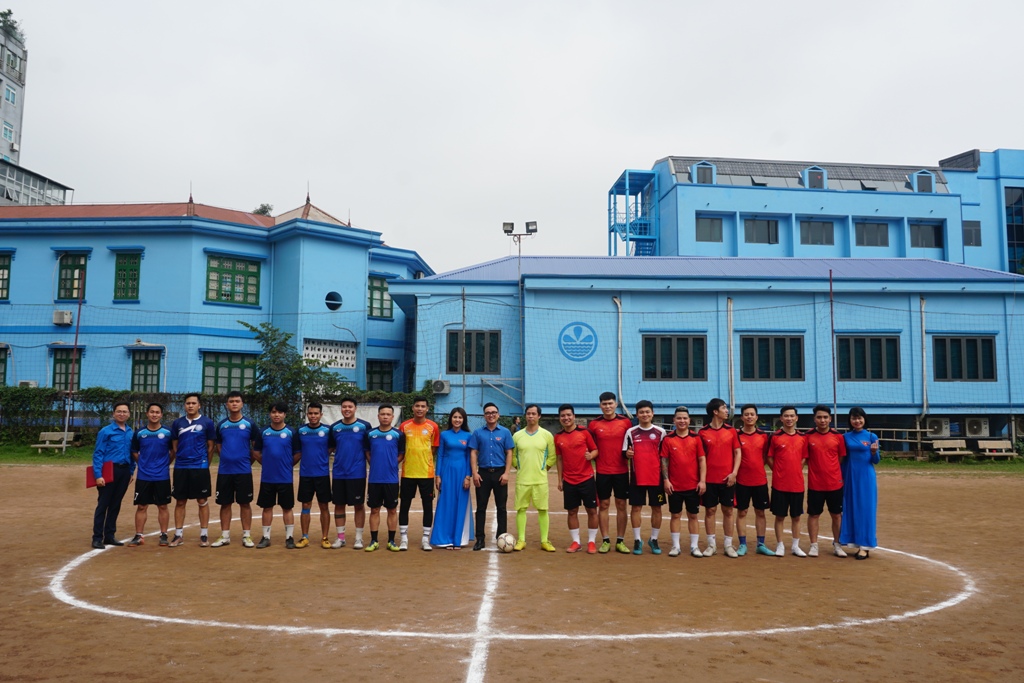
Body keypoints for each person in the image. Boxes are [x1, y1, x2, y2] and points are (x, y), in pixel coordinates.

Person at [588, 391, 633, 554]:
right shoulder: (594, 424)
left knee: (621, 504)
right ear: (600, 405)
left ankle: (620, 540)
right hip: (603, 471)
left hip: (621, 471)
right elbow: (590, 447)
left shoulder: (626, 422)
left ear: (616, 404)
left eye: (610, 403)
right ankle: (605, 540)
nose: (607, 406)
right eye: (604, 404)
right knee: (604, 505)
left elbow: (631, 446)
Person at [697, 398, 742, 558]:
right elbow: (700, 458)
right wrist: (702, 479)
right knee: (710, 510)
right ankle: (711, 545)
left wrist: (734, 473)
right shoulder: (702, 432)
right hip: (709, 480)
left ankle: (728, 545)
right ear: (715, 412)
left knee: (728, 511)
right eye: (724, 408)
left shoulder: (731, 431)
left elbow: (738, 453)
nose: (726, 410)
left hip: (727, 479)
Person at [211, 391, 256, 548]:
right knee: (225, 504)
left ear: (242, 404)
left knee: (245, 503)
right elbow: (218, 445)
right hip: (225, 471)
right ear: (227, 405)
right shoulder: (222, 425)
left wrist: (246, 462)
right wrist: (226, 458)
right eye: (231, 401)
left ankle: (247, 535)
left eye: (237, 401)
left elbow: (255, 448)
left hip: (243, 471)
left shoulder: (250, 424)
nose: (234, 403)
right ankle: (225, 536)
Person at [169, 393, 215, 547]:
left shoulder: (207, 422)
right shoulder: (177, 423)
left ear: (199, 405)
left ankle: (204, 535)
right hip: (181, 467)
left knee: (202, 500)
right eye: (188, 403)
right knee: (180, 501)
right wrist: (181, 458)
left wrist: (205, 464)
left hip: (200, 467)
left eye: (193, 403)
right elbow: (175, 445)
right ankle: (178, 535)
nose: (190, 406)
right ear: (184, 405)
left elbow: (211, 447)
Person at [660, 406, 706, 558]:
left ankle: (694, 546)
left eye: (685, 418)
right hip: (674, 486)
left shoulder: (696, 438)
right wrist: (666, 480)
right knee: (675, 515)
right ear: (674, 420)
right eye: (679, 418)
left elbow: (702, 460)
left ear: (689, 420)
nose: (682, 421)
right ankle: (676, 546)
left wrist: (702, 481)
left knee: (693, 515)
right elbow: (664, 460)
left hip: (693, 485)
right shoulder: (668, 439)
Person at [252, 403, 300, 549]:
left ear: (285, 414)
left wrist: (287, 465)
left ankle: (289, 538)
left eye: (280, 412)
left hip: (285, 478)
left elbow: (298, 453)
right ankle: (266, 537)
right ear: (270, 414)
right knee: (267, 507)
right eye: (273, 412)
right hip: (268, 477)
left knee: (287, 508)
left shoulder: (291, 432)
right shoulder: (263, 432)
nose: (276, 415)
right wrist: (267, 463)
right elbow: (256, 452)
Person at [554, 404, 599, 553]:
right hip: (569, 480)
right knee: (572, 511)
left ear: (574, 416)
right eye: (563, 416)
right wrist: (560, 479)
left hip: (586, 478)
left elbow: (595, 450)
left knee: (591, 510)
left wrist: (591, 456)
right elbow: (559, 459)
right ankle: (576, 542)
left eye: (568, 415)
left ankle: (591, 542)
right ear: (560, 418)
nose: (566, 418)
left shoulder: (584, 432)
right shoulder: (558, 437)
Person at [126, 403, 173, 547]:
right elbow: (134, 451)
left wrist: (165, 463)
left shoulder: (168, 433)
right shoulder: (139, 433)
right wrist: (142, 463)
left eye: (157, 412)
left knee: (163, 506)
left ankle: (163, 535)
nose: (154, 414)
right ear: (147, 414)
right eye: (152, 412)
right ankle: (139, 535)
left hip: (162, 476)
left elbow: (173, 451)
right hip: (144, 476)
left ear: (161, 415)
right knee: (141, 506)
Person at [512, 404, 557, 551]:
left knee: (543, 509)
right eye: (528, 413)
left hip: (540, 480)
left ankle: (544, 541)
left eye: (533, 414)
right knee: (521, 509)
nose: (531, 416)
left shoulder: (547, 435)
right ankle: (521, 540)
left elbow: (552, 457)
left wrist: (543, 469)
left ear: (539, 416)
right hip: (522, 480)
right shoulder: (517, 436)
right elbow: (513, 456)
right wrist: (520, 467)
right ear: (525, 416)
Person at [624, 400, 666, 555]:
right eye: (641, 412)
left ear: (652, 413)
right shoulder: (630, 432)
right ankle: (637, 540)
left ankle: (654, 539)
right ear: (637, 414)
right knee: (636, 508)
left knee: (657, 508)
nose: (645, 414)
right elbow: (624, 452)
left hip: (656, 477)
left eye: (647, 412)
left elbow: (664, 456)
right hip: (637, 477)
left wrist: (666, 477)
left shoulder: (661, 432)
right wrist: (627, 454)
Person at [805, 405, 848, 558]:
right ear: (814, 419)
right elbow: (805, 458)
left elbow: (841, 458)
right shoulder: (808, 436)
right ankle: (814, 545)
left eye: (825, 417)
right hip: (815, 484)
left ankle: (837, 544)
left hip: (835, 483)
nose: (822, 420)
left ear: (830, 419)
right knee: (813, 515)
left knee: (836, 515)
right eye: (819, 417)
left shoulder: (838, 437)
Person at [469, 402, 513, 551]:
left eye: (493, 412)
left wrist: (506, 473)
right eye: (488, 413)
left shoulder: (505, 432)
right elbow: (473, 452)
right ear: (484, 415)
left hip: (500, 473)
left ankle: (501, 537)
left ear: (498, 415)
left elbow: (509, 453)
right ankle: (480, 539)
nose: (491, 415)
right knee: (481, 507)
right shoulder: (478, 433)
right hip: (483, 474)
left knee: (502, 507)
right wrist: (475, 473)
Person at [398, 396, 440, 551]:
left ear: (427, 409)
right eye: (417, 406)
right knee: (404, 505)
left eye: (423, 406)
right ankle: (404, 539)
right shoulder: (404, 426)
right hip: (408, 473)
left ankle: (425, 539)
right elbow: (400, 448)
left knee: (427, 506)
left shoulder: (433, 427)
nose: (420, 409)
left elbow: (433, 449)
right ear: (413, 408)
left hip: (426, 473)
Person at [91, 401, 134, 549]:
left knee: (116, 504)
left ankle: (109, 535)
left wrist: (131, 472)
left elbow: (132, 454)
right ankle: (97, 537)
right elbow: (98, 453)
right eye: (119, 411)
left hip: (124, 471)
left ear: (129, 414)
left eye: (124, 411)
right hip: (108, 471)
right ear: (113, 414)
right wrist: (98, 475)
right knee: (103, 504)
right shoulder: (106, 431)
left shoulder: (130, 432)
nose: (122, 414)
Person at [329, 397, 371, 549]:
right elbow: (330, 448)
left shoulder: (365, 426)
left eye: (350, 407)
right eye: (344, 407)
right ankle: (341, 538)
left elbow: (369, 448)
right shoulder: (334, 428)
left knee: (358, 505)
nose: (347, 409)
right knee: (339, 505)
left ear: (355, 408)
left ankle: (359, 538)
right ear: (341, 409)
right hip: (339, 473)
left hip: (357, 473)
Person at [430, 407, 474, 548]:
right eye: (455, 417)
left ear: (464, 420)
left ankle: (458, 539)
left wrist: (468, 476)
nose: (457, 420)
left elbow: (469, 457)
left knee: (460, 504)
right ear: (451, 419)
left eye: (460, 417)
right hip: (447, 473)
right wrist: (438, 475)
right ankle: (444, 539)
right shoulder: (444, 435)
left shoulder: (468, 436)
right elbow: (440, 455)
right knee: (446, 504)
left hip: (462, 473)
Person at [767, 406, 808, 557]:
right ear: (781, 418)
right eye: (786, 416)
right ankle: (780, 545)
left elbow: (804, 457)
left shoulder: (803, 437)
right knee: (779, 516)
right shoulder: (775, 437)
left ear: (796, 418)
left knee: (796, 516)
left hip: (797, 484)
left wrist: (795, 469)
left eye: (792, 416)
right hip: (780, 484)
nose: (789, 419)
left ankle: (795, 546)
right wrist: (779, 471)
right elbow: (769, 457)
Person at [839, 407, 879, 560]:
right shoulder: (845, 437)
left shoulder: (871, 436)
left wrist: (874, 452)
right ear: (850, 420)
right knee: (850, 508)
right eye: (854, 418)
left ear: (864, 419)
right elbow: (842, 458)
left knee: (866, 509)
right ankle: (853, 541)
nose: (857, 421)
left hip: (866, 478)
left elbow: (876, 461)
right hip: (849, 476)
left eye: (859, 418)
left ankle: (865, 546)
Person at [735, 404, 775, 556]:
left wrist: (756, 467)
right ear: (742, 417)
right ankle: (742, 544)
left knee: (760, 512)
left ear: (756, 417)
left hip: (760, 480)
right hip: (742, 481)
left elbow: (765, 456)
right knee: (742, 512)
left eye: (752, 414)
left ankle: (761, 544)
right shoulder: (736, 435)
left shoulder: (763, 436)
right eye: (746, 414)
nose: (749, 417)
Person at [364, 404, 405, 552]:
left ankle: (391, 541)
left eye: (388, 414)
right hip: (374, 479)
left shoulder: (398, 434)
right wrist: (374, 463)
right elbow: (367, 452)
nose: (385, 417)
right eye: (383, 414)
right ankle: (374, 541)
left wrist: (393, 464)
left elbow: (401, 454)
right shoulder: (370, 434)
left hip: (391, 479)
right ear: (378, 416)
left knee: (392, 510)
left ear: (393, 417)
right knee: (374, 510)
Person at [295, 402, 332, 549]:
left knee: (324, 505)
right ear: (307, 414)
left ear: (321, 415)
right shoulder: (301, 431)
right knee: (305, 505)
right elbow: (297, 450)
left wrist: (322, 456)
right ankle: (305, 537)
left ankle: (325, 537)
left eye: (316, 413)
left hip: (322, 474)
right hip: (306, 474)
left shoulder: (328, 430)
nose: (313, 416)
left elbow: (331, 447)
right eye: (310, 413)